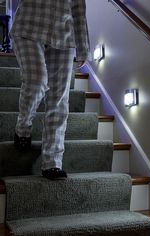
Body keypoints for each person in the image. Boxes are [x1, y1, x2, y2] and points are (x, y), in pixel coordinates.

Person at [9, 0, 90, 179]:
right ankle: (23, 128)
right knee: (37, 81)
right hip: (28, 28)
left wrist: (83, 49)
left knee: (59, 99)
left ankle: (52, 162)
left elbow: (78, 10)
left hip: (64, 36)